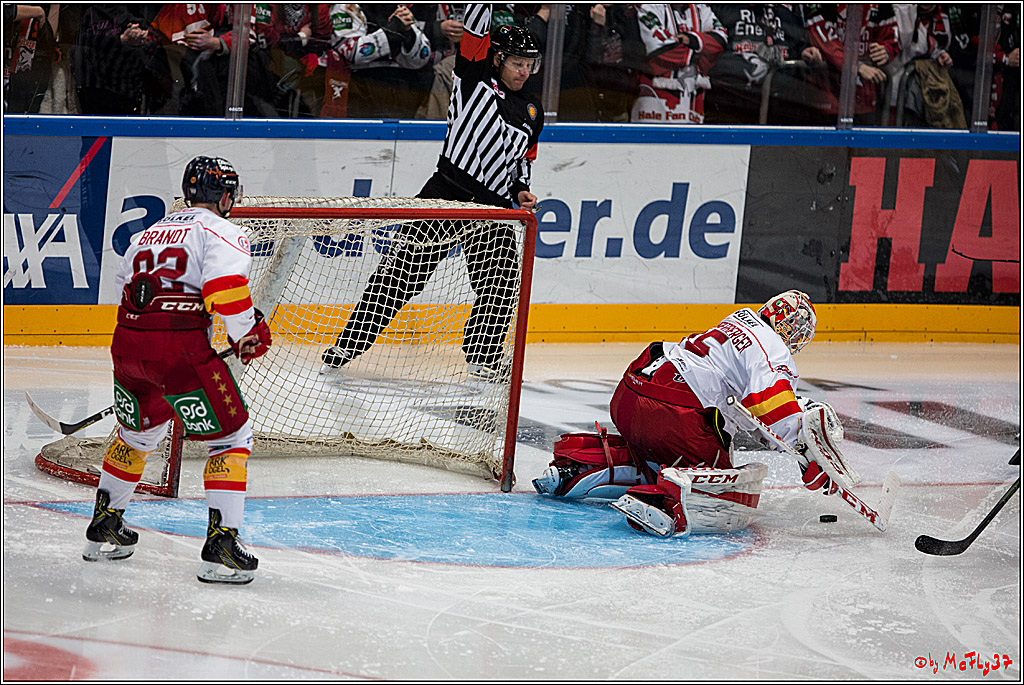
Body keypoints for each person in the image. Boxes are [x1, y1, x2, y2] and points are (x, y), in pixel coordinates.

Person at [321, 3, 543, 380]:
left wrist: (521, 189)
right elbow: (475, 27)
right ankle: (348, 344)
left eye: (531, 65)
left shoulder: (532, 109)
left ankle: (484, 356)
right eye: (518, 63)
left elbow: (523, 158)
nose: (525, 71)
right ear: (498, 59)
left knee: (502, 280)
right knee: (401, 274)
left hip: (492, 207)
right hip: (447, 191)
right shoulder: (473, 77)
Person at [83, 156, 272, 585]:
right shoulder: (222, 230)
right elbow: (224, 288)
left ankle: (105, 523)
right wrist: (247, 333)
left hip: (128, 346)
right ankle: (222, 544)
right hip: (178, 351)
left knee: (137, 434)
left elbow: (123, 289)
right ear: (225, 196)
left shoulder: (148, 232)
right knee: (231, 437)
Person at [534, 290, 853, 538]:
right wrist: (809, 455)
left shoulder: (736, 321)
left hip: (629, 397)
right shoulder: (772, 347)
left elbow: (747, 412)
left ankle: (577, 468)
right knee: (732, 490)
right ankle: (662, 500)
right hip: (672, 414)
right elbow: (775, 411)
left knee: (656, 459)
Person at [630, 3, 728, 124]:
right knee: (651, 141)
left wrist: (690, 39)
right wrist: (702, 53)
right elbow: (658, 52)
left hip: (692, 102)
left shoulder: (702, 8)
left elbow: (721, 40)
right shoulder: (647, 6)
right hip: (655, 100)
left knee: (690, 141)